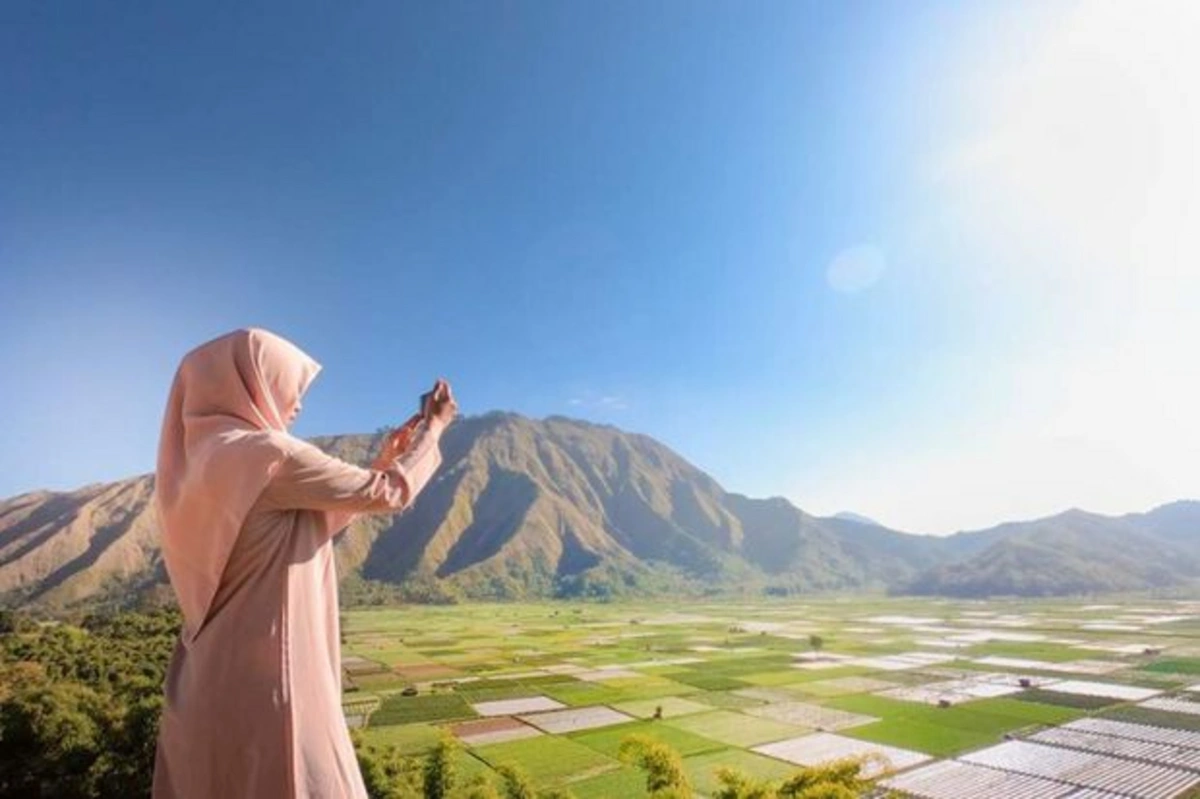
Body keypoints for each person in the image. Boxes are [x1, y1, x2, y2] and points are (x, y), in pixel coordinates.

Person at [151, 327, 456, 798]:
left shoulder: (195, 468)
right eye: (291, 387)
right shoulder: (270, 454)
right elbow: (389, 493)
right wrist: (433, 429)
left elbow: (302, 525)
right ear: (255, 381)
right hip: (272, 680)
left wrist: (383, 458)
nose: (297, 405)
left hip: (202, 683)